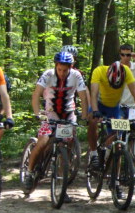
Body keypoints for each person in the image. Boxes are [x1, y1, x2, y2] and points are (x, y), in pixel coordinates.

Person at [24, 51, 89, 194]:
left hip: (68, 114)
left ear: (70, 67)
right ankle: (29, 172)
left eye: (65, 70)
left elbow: (84, 97)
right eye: (59, 69)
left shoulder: (76, 76)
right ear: (55, 66)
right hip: (50, 114)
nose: (62, 73)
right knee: (42, 142)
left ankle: (61, 185)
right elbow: (36, 95)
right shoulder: (48, 74)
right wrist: (37, 113)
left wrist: (85, 116)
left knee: (66, 147)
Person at [87, 60, 135, 167]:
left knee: (117, 139)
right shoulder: (99, 71)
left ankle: (112, 168)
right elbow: (93, 94)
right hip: (99, 104)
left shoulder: (127, 71)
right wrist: (95, 111)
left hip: (114, 107)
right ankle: (94, 153)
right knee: (93, 121)